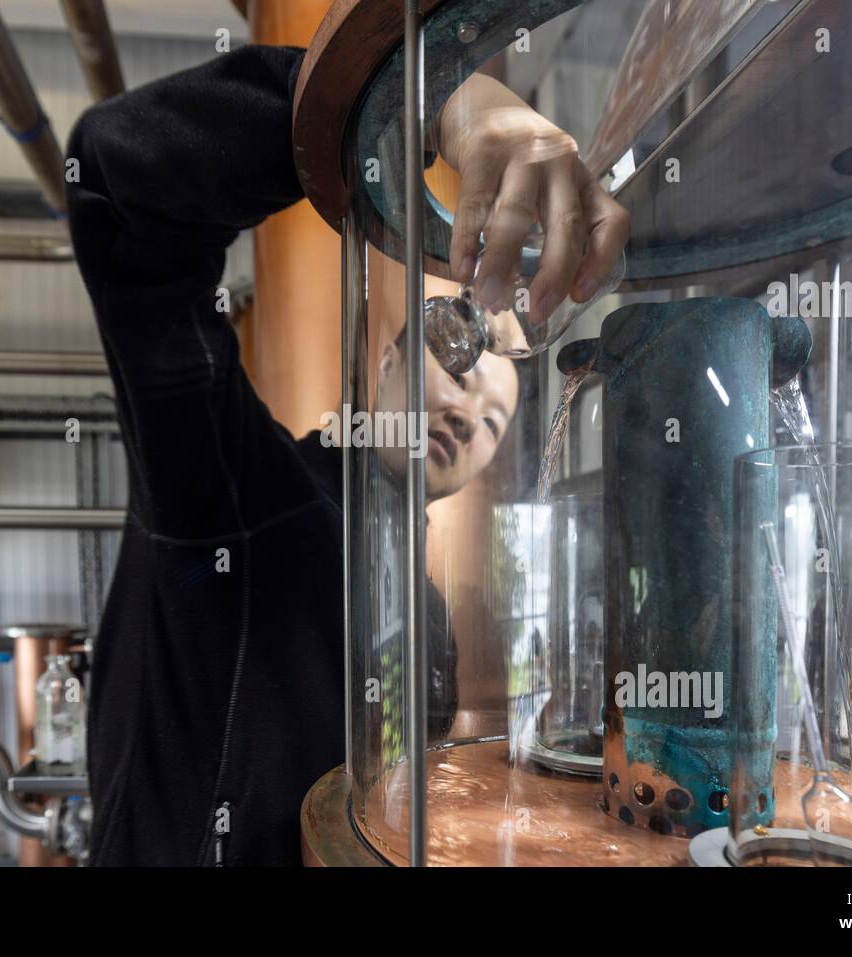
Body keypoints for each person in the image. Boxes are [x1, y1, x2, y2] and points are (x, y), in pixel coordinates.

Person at [65, 42, 628, 866]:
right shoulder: (240, 492)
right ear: (392, 360)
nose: (473, 418)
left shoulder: (425, 611)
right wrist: (427, 102)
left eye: (497, 422)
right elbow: (117, 189)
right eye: (463, 368)